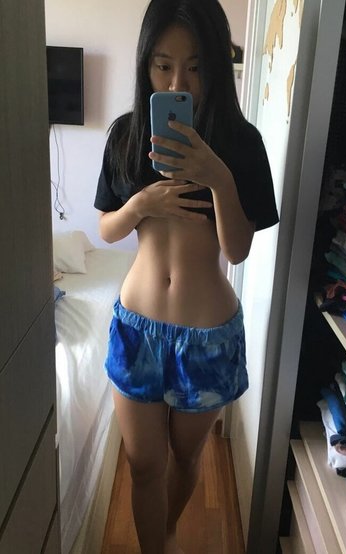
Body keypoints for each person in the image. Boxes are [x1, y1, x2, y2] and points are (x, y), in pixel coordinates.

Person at [94, 0, 279, 552]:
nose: (179, 83)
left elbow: (237, 251)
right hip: (138, 327)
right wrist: (140, 204)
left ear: (217, 65)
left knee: (186, 455)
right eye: (163, 65)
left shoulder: (242, 144)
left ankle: (170, 528)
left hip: (208, 338)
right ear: (145, 64)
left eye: (196, 67)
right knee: (142, 464)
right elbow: (106, 229)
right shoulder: (127, 135)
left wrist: (218, 177)